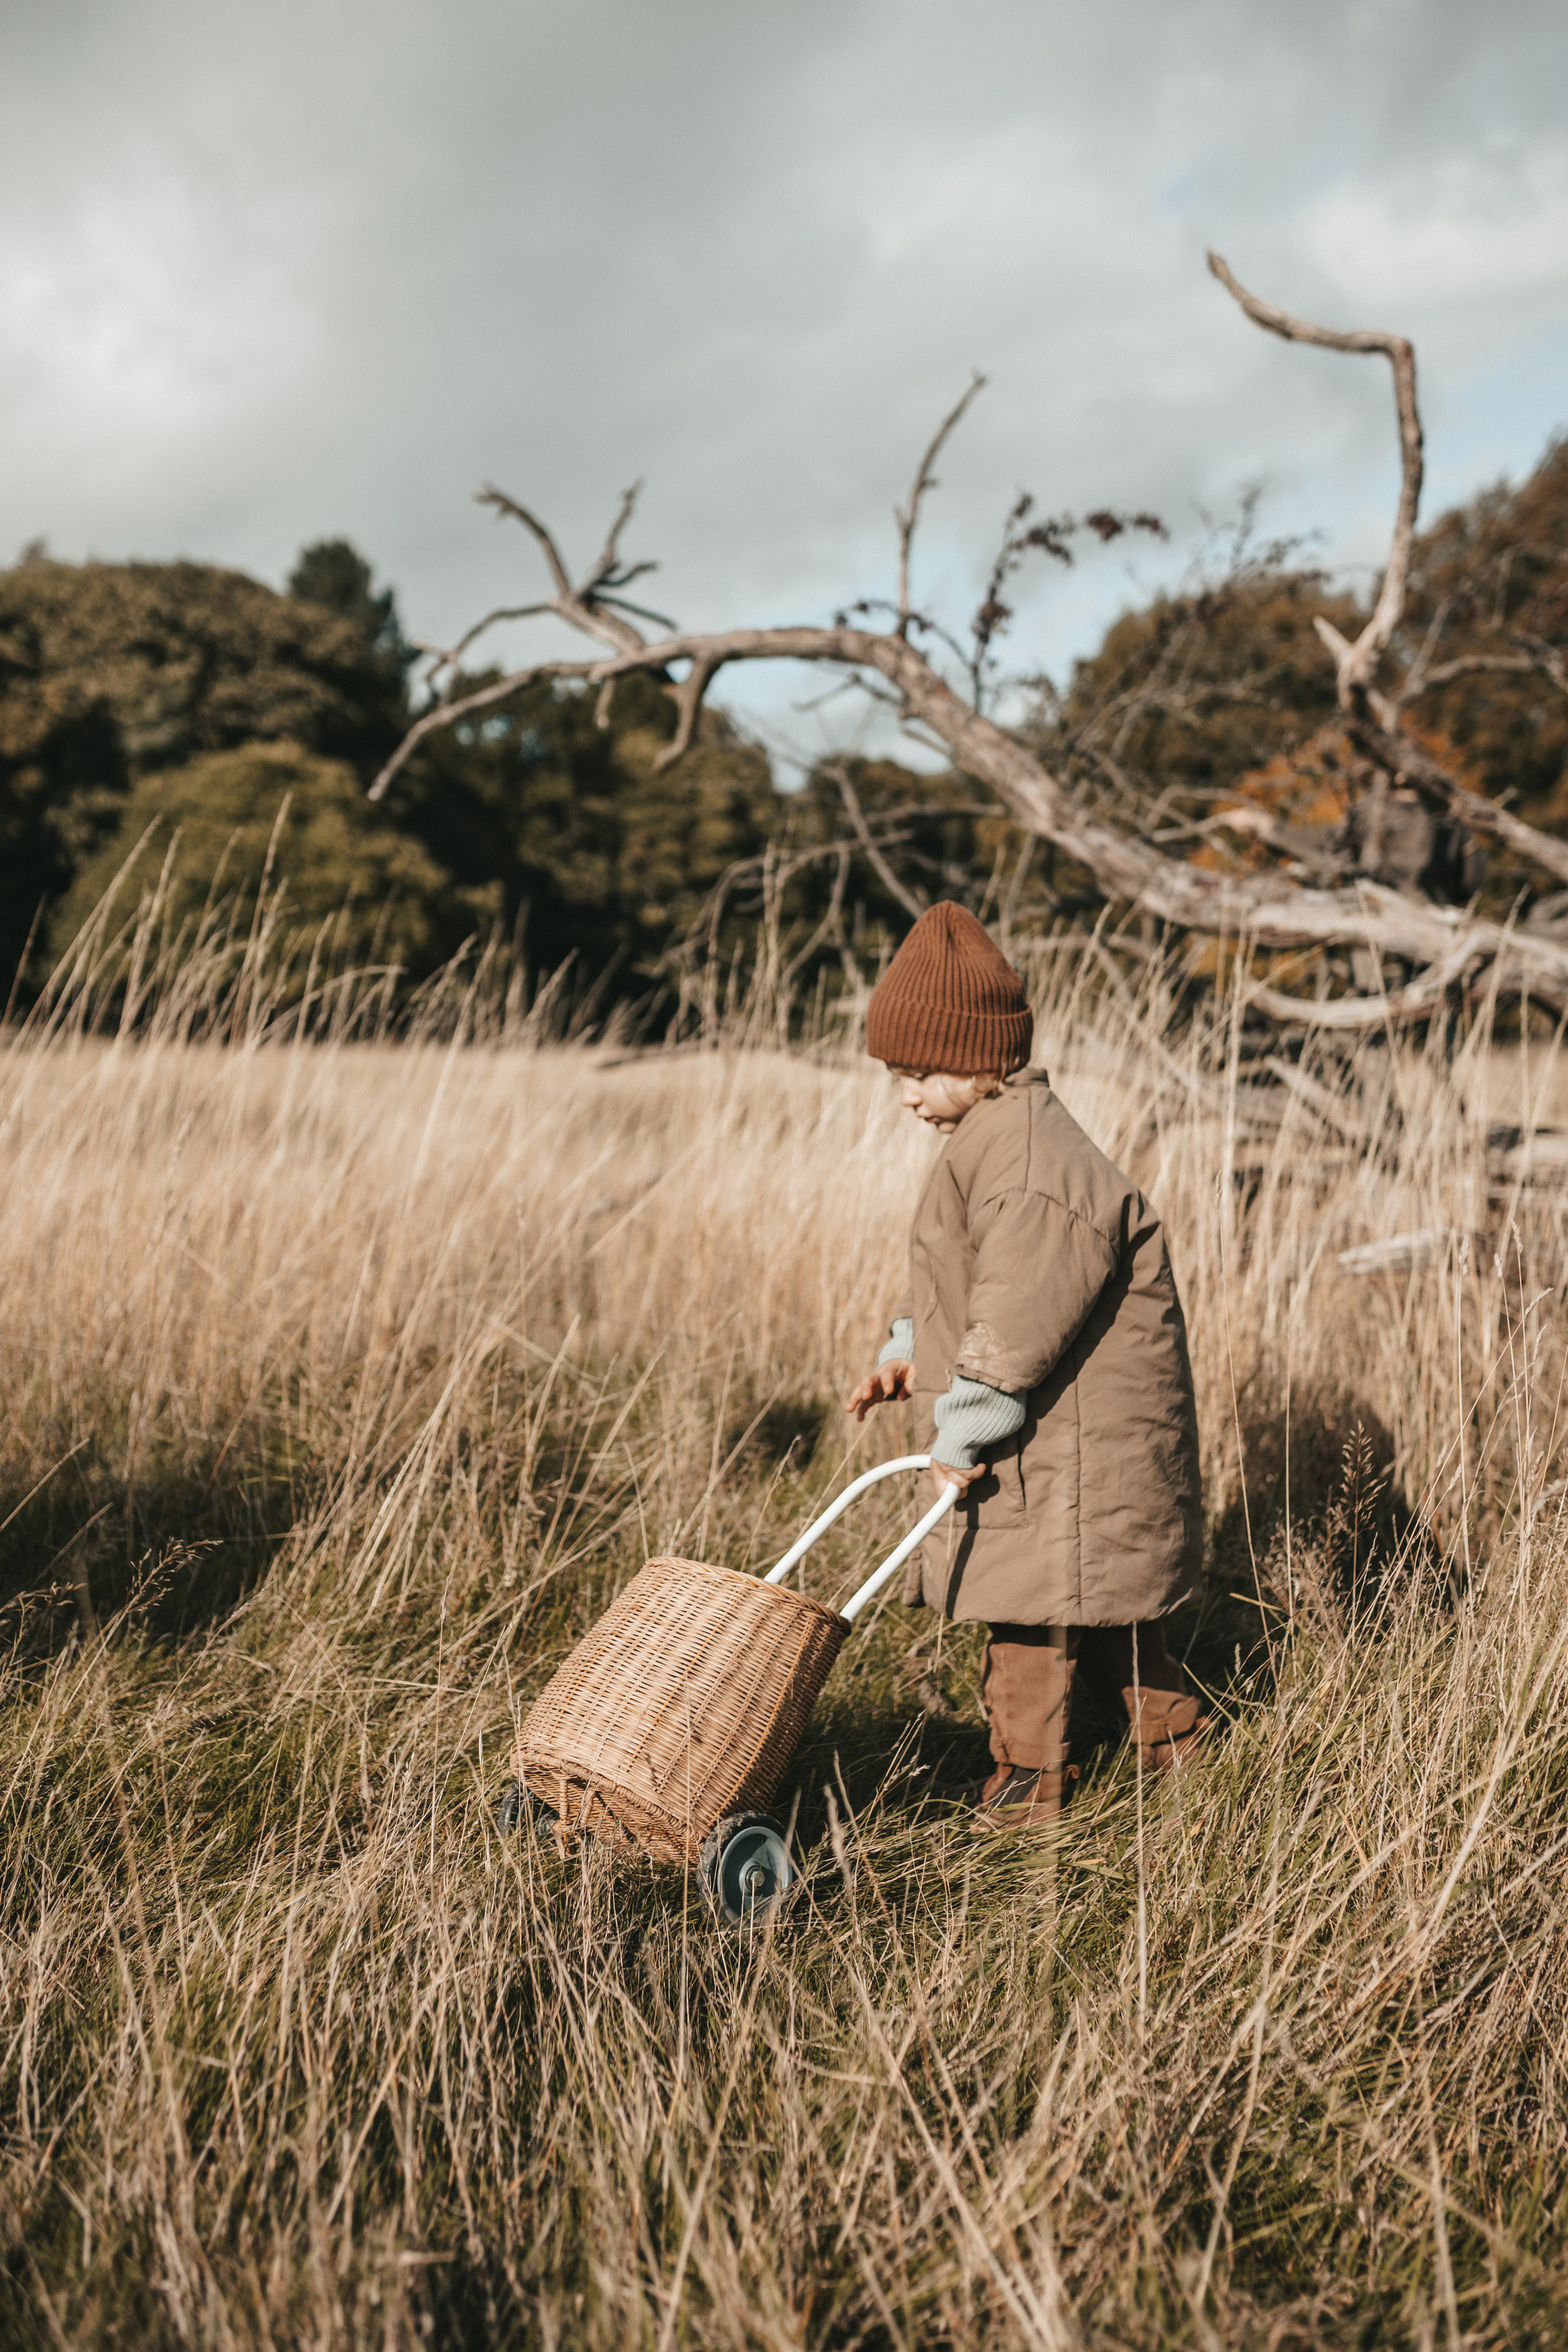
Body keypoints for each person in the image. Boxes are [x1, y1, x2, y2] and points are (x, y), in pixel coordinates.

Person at [845, 901, 1208, 1826]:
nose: (908, 1096)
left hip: (1070, 1452)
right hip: (1070, 1445)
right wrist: (904, 1351)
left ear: (984, 1059)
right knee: (1112, 1614)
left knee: (1034, 1618)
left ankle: (1026, 1789)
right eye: (896, 1075)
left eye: (922, 1073)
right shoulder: (995, 1138)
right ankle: (1182, 1757)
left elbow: (1017, 1316)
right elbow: (968, 1283)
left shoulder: (1036, 1159)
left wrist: (963, 1427)